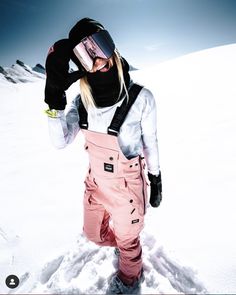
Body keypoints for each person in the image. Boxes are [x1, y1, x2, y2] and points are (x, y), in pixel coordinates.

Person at [44, 17, 162, 294]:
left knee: (129, 245)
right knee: (94, 235)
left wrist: (155, 178)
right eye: (87, 55)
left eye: (100, 45)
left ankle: (129, 277)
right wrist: (53, 101)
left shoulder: (141, 98)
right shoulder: (81, 102)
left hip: (127, 187)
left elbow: (151, 143)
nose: (99, 60)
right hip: (95, 183)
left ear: (113, 46)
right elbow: (59, 141)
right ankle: (123, 243)